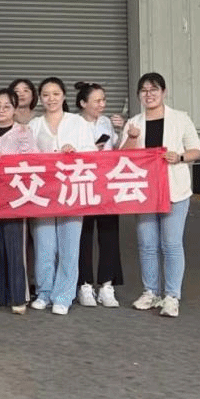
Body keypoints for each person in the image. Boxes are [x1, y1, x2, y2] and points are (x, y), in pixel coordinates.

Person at [119, 72, 200, 318]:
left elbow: (196, 149)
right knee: (147, 244)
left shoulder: (180, 118)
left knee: (172, 244)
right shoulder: (134, 122)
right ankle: (151, 292)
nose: (149, 94)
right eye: (144, 90)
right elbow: (122, 156)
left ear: (163, 92)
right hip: (144, 191)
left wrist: (180, 157)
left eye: (153, 89)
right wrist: (132, 138)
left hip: (174, 189)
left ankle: (172, 296)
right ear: (139, 95)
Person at [27, 77, 95, 315]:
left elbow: (92, 153)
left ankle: (64, 295)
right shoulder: (34, 125)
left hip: (71, 192)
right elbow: (27, 156)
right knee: (44, 246)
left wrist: (74, 152)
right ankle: (44, 292)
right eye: (46, 95)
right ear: (40, 98)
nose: (51, 99)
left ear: (64, 96)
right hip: (43, 194)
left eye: (55, 94)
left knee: (69, 248)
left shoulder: (77, 122)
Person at [0, 89, 38, 313]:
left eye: (7, 106)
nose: (1, 110)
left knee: (15, 245)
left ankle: (17, 296)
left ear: (15, 109)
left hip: (15, 196)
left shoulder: (24, 131)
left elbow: (34, 159)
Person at [74, 81, 124, 308]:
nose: (102, 104)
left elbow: (118, 149)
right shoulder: (73, 123)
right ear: (83, 103)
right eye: (97, 101)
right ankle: (84, 284)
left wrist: (122, 130)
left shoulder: (106, 122)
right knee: (83, 234)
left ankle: (107, 284)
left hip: (106, 184)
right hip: (83, 183)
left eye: (103, 100)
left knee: (109, 233)